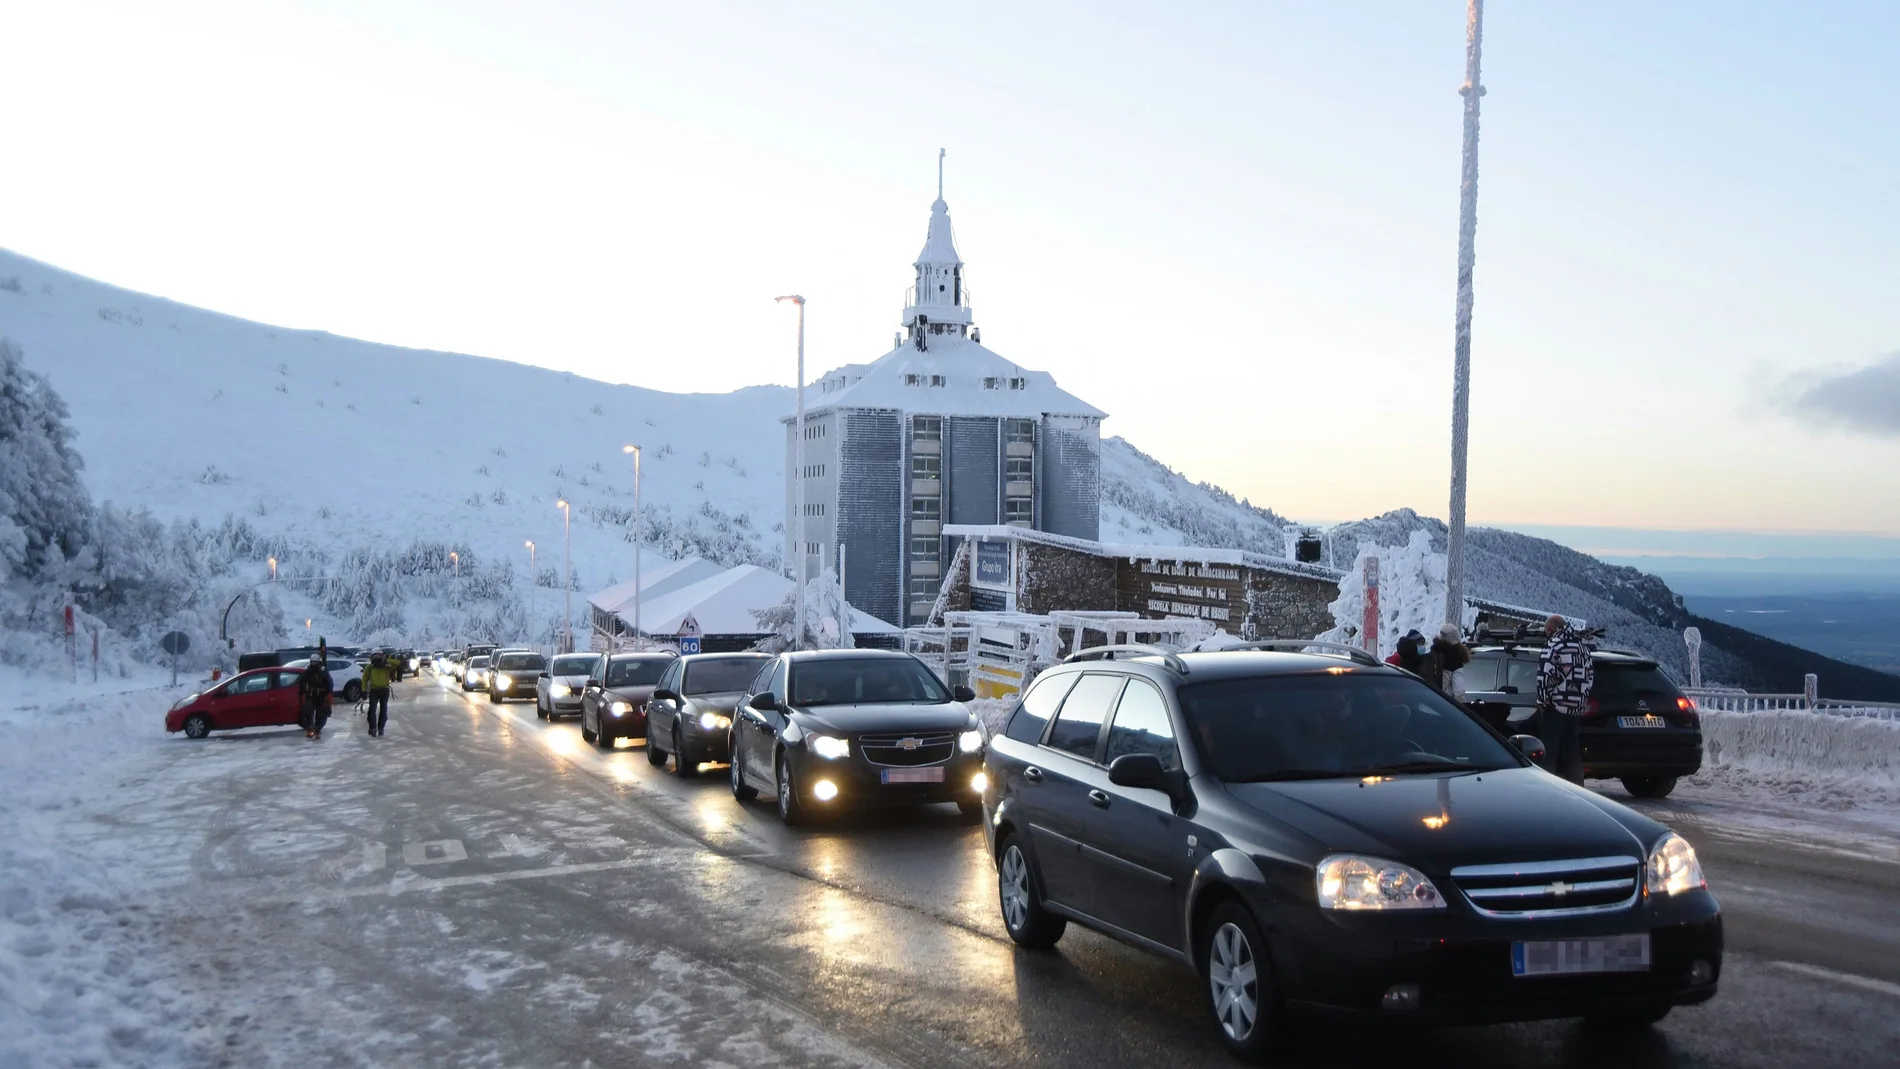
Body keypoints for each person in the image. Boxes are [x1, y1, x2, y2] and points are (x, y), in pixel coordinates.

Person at [1535, 614, 1593, 784]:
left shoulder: (1554, 645)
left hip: (1555, 708)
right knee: (1572, 754)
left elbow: (1545, 676)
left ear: (1550, 630)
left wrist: (1542, 701)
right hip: (1575, 710)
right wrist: (1581, 700)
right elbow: (1589, 677)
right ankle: (1578, 790)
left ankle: (1548, 790)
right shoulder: (1582, 647)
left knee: (1548, 754)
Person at [1425, 624, 1472, 702]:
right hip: (1443, 705)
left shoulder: (1432, 653)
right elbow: (1459, 692)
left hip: (1428, 702)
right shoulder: (1455, 659)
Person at [298, 652, 335, 740]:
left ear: (318, 662)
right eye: (312, 662)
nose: (314, 664)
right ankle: (310, 729)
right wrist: (301, 692)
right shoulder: (308, 671)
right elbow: (302, 682)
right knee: (307, 713)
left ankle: (317, 730)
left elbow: (329, 683)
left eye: (315, 662)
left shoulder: (323, 671)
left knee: (322, 714)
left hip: (321, 696)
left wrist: (329, 694)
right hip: (310, 695)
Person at [362, 651, 396, 737]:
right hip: (374, 690)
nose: (376, 658)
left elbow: (398, 663)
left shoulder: (386, 667)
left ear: (382, 656)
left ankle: (381, 728)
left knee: (383, 710)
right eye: (375, 656)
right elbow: (364, 679)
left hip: (384, 690)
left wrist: (387, 660)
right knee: (372, 710)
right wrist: (364, 690)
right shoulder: (370, 667)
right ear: (372, 657)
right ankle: (372, 728)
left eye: (378, 656)